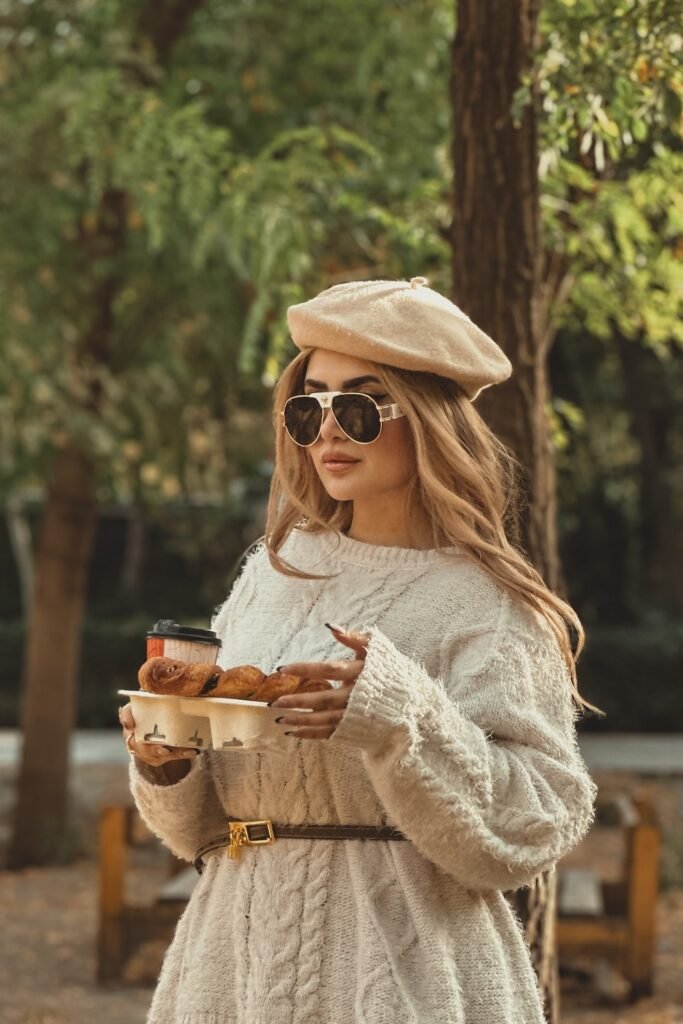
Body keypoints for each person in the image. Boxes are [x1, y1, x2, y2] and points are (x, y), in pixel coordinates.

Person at [119, 276, 599, 1024]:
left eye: (360, 408)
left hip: (409, 978)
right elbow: (200, 834)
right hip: (231, 966)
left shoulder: (489, 602)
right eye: (308, 408)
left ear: (432, 419)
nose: (327, 432)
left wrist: (395, 712)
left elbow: (536, 824)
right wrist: (167, 759)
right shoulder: (272, 574)